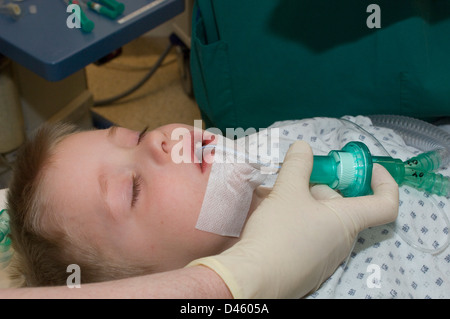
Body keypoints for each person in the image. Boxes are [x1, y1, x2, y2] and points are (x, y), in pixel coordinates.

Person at [4, 121, 399, 298]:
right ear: (161, 282)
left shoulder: (278, 141)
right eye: (133, 189)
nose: (156, 140)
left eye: (136, 135)